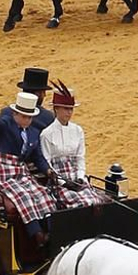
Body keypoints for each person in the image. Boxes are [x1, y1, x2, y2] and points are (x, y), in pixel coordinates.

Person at [0, 65, 58, 263]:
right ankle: (37, 234)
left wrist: (48, 171)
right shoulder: (10, 122)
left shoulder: (34, 128)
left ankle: (52, 232)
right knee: (23, 196)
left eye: (29, 117)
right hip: (7, 170)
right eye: (23, 116)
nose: (26, 120)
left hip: (24, 171)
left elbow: (39, 157)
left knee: (43, 195)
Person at [38, 81, 103, 209]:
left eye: (71, 109)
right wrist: (63, 182)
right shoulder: (46, 134)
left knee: (96, 202)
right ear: (56, 109)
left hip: (76, 178)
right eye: (66, 109)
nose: (69, 112)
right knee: (80, 205)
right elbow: (48, 163)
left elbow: (80, 157)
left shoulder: (78, 130)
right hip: (59, 181)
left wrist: (80, 178)